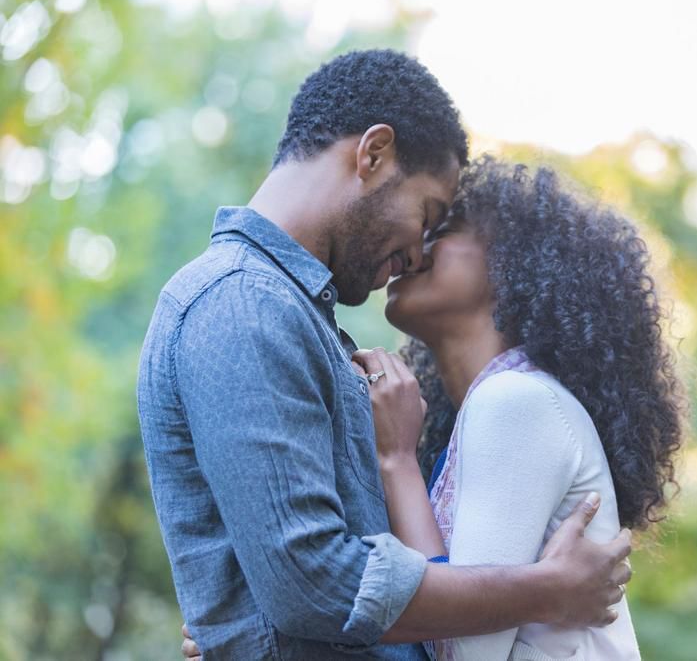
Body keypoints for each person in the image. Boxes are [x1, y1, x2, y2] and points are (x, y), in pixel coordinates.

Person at [138, 49, 631, 661]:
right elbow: (312, 582)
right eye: (427, 215)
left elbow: (301, 590)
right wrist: (546, 590)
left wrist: (246, 621)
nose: (420, 252)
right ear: (372, 154)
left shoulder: (293, 317)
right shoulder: (243, 303)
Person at [351, 158, 688, 660]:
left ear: (513, 259)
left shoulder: (517, 400)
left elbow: (456, 649)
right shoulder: (492, 410)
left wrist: (397, 459)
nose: (413, 243)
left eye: (442, 226)